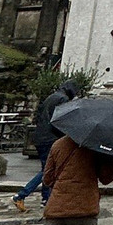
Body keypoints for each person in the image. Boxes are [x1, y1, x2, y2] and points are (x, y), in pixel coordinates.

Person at [39, 135, 113, 225]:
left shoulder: (58, 144)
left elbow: (47, 179)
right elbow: (106, 178)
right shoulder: (99, 147)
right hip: (84, 210)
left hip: (56, 210)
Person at [13, 80, 79, 212]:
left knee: (47, 168)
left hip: (40, 137)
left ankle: (46, 199)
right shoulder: (62, 99)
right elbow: (60, 121)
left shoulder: (51, 97)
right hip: (50, 139)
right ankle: (21, 195)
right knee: (48, 171)